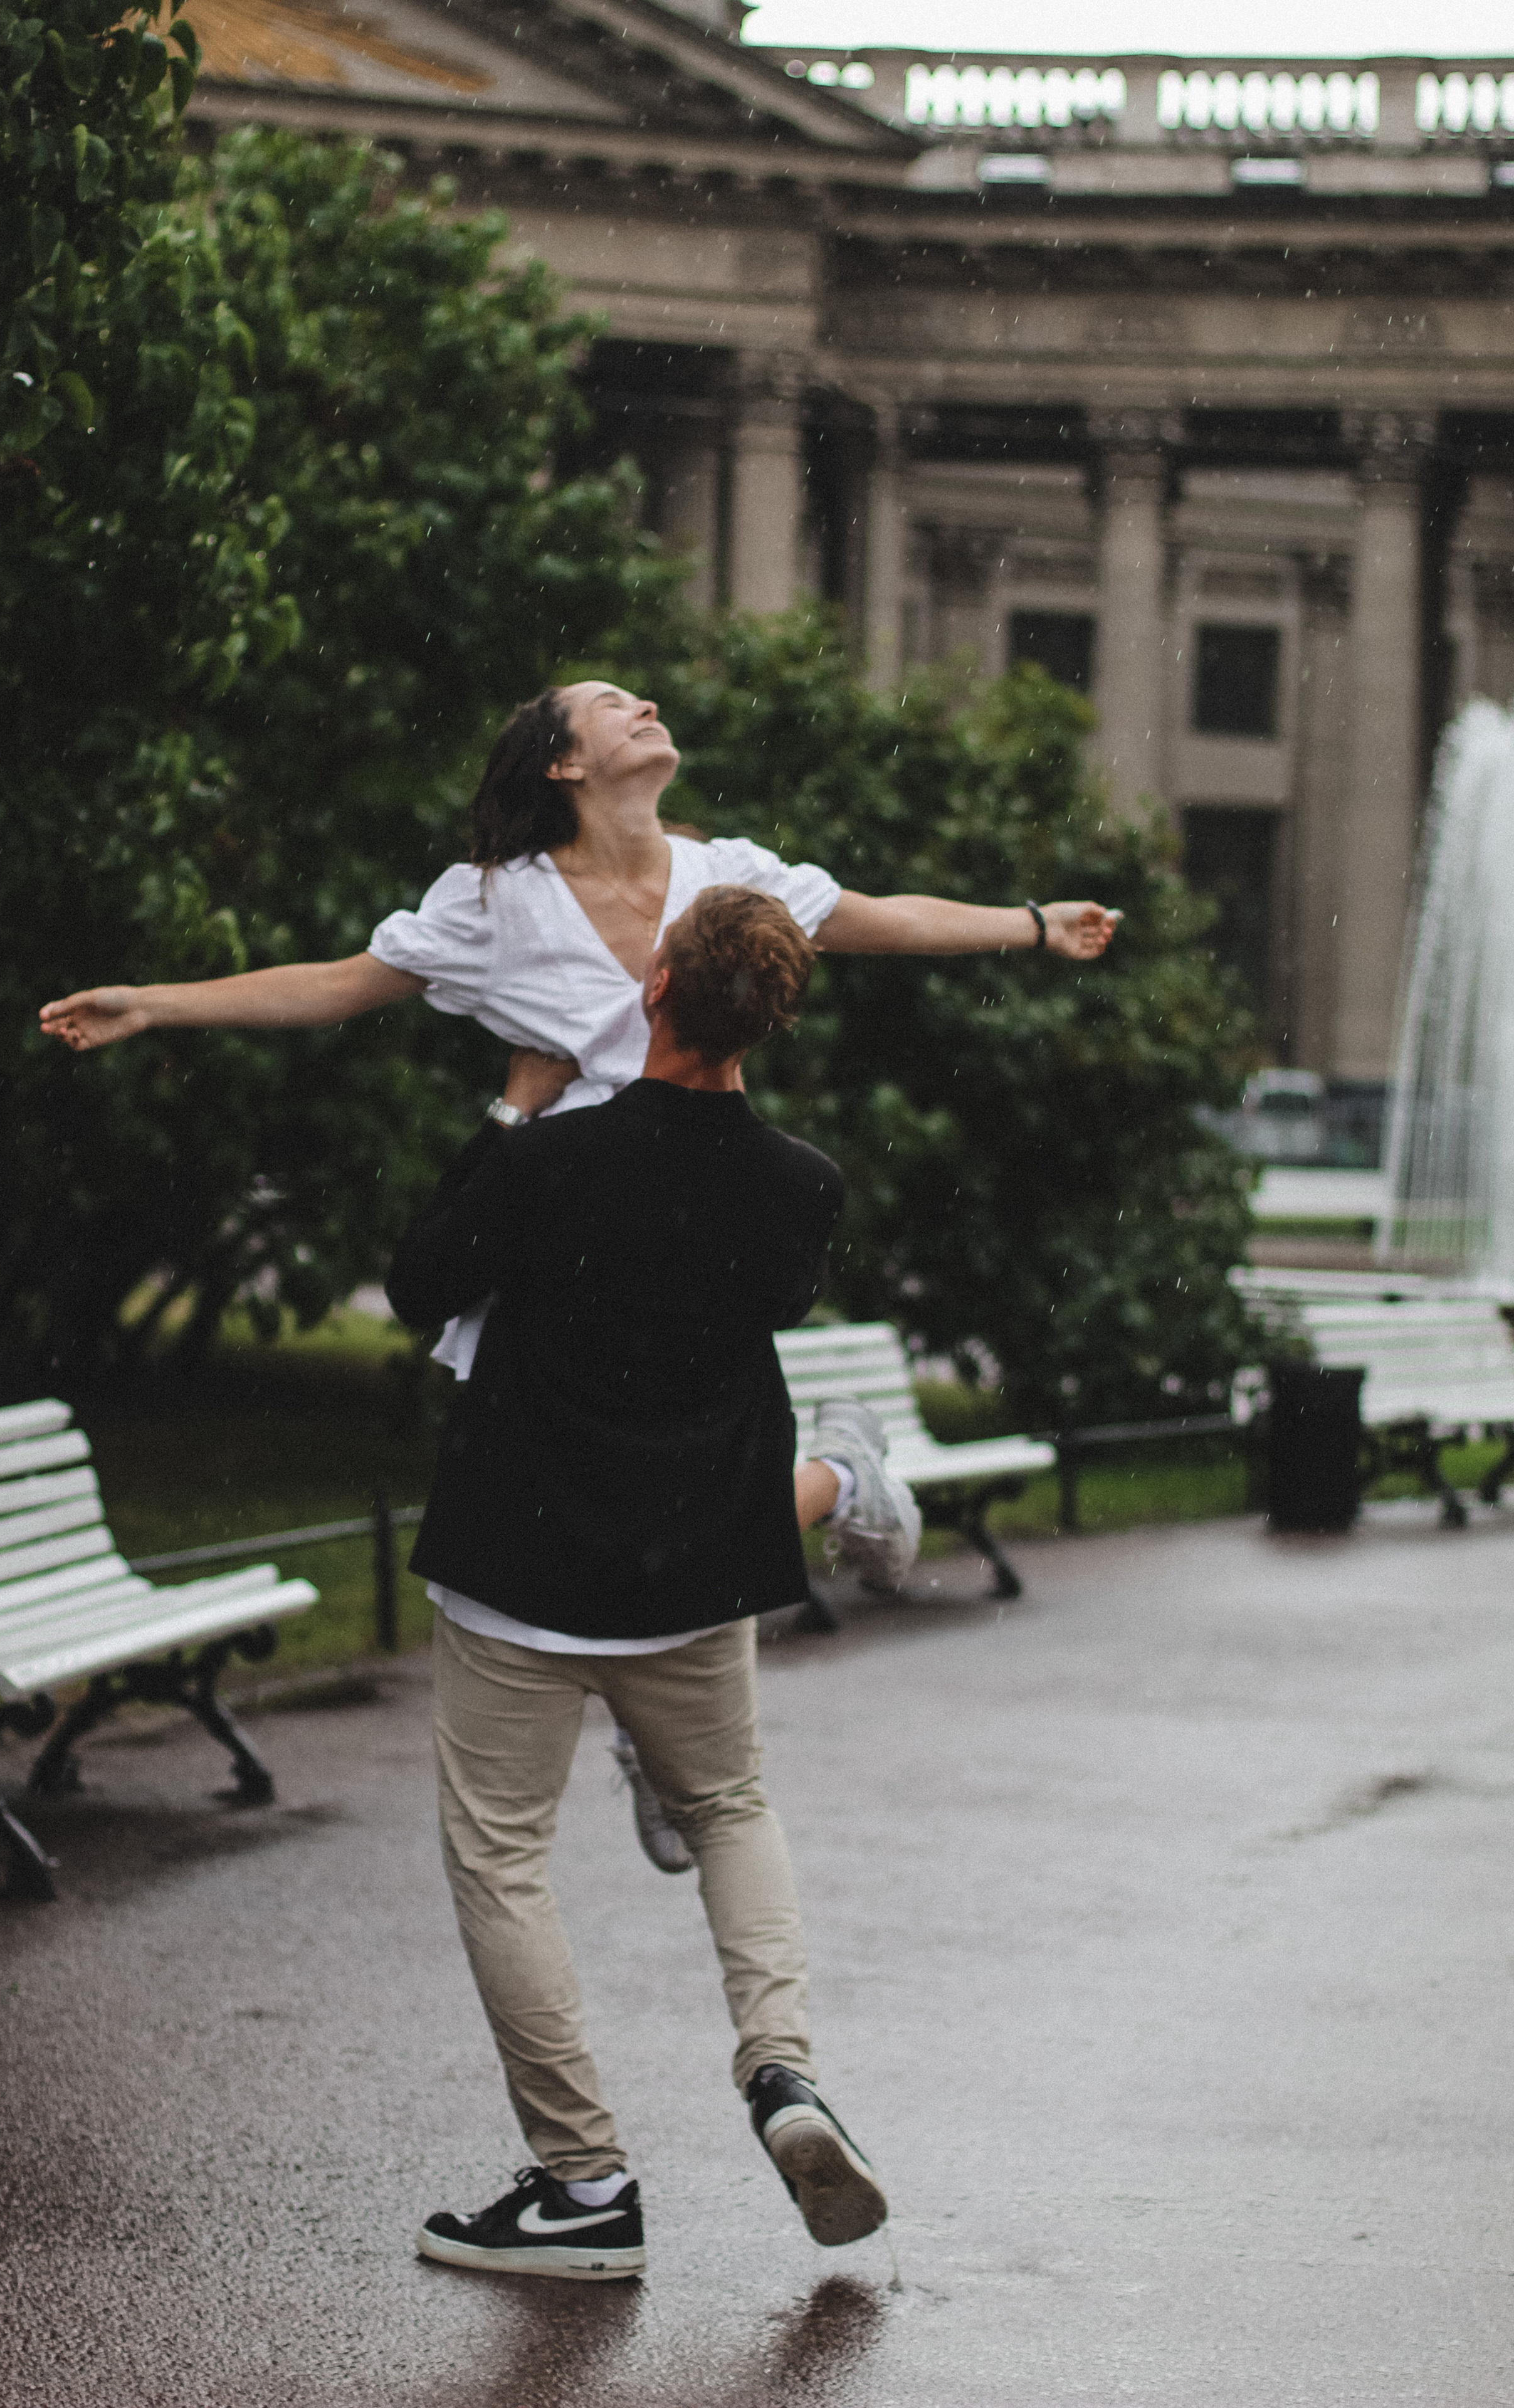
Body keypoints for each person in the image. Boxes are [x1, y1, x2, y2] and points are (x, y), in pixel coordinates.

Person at [38, 678, 1121, 1861]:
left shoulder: (727, 875)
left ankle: (686, 1710)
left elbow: (880, 918)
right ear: (561, 762)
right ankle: (777, 1566)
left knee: (677, 1486)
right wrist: (156, 1005)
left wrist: (1031, 924)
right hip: (566, 1238)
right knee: (589, 1500)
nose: (646, 702)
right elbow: (341, 983)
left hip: (691, 1227)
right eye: (612, 703)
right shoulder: (497, 902)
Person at [384, 884, 883, 2279]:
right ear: (769, 1022)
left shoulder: (553, 1161)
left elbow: (419, 1284)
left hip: (522, 1564)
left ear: (654, 986)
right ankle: (781, 2071)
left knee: (502, 1860)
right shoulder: (800, 1186)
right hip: (694, 1569)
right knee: (727, 1808)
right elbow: (768, 1303)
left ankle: (585, 2181)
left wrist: (511, 1111)